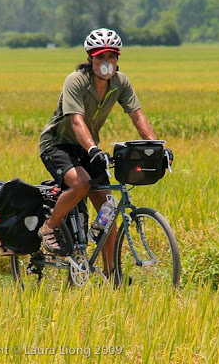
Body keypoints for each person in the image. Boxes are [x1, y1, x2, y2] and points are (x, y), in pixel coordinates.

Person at [38, 28, 157, 277]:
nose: (106, 63)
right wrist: (93, 149)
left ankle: (111, 275)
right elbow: (76, 121)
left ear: (118, 59)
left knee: (108, 210)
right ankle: (50, 226)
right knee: (80, 184)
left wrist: (155, 147)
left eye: (111, 57)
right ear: (90, 57)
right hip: (58, 144)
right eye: (101, 57)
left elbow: (138, 116)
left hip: (88, 148)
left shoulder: (120, 82)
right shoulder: (76, 80)